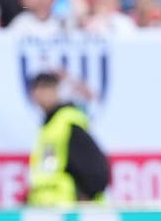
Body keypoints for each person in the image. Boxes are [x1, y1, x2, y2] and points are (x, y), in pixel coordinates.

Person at [25, 72, 111, 206]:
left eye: (45, 88)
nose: (40, 94)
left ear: (56, 91)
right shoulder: (49, 126)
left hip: (69, 212)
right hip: (51, 210)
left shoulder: (68, 122)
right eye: (36, 89)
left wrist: (85, 197)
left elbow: (96, 170)